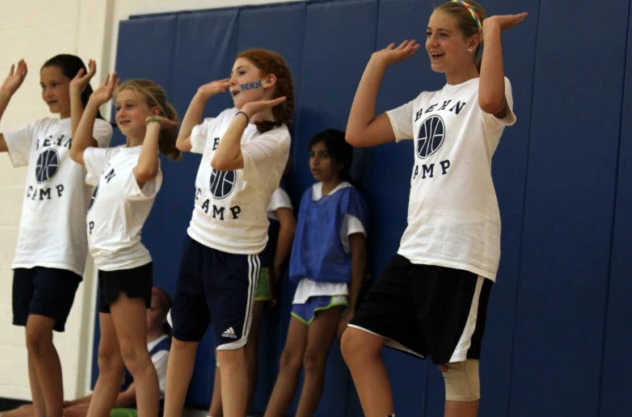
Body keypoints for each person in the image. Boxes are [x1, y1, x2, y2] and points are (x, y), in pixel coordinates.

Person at [339, 1, 524, 416]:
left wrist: (492, 30)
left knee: (454, 365)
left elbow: (492, 97)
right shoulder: (424, 102)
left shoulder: (489, 88)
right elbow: (357, 133)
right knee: (356, 341)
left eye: (443, 34)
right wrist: (376, 64)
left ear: (471, 41)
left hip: (461, 248)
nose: (431, 43)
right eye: (428, 33)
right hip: (416, 246)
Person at [0, 55, 113, 417]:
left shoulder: (98, 129)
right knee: (32, 341)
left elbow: (80, 150)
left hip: (62, 247)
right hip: (29, 247)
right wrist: (6, 92)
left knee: (38, 334)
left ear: (78, 82)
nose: (48, 93)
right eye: (43, 86)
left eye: (56, 84)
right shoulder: (39, 129)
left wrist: (82, 97)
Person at [165, 48, 294, 417]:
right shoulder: (225, 117)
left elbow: (223, 159)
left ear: (268, 81)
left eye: (242, 73)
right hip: (197, 244)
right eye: (232, 73)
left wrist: (243, 114)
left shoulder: (277, 139)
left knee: (230, 353)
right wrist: (202, 96)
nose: (233, 80)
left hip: (236, 257)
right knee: (182, 340)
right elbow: (183, 140)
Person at [68, 65, 181, 417]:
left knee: (136, 359)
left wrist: (153, 130)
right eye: (119, 107)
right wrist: (91, 103)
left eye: (130, 105)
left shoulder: (148, 161)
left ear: (153, 114)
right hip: (107, 266)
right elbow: (77, 150)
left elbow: (145, 171)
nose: (121, 113)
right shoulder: (115, 156)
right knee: (108, 359)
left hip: (127, 266)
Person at [0, 287, 173, 417]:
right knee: (36, 408)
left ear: (163, 318)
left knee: (61, 414)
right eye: (143, 306)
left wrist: (76, 406)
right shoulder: (127, 346)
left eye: (152, 308)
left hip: (133, 412)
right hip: (116, 405)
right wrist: (75, 401)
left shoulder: (162, 352)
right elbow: (109, 388)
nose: (144, 312)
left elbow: (127, 398)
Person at [264, 129, 367, 417]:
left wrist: (352, 307)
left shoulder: (348, 198)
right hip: (305, 287)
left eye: (323, 155)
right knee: (289, 359)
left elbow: (358, 254)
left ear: (341, 162)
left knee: (313, 359)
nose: (315, 161)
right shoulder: (309, 196)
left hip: (333, 289)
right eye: (312, 155)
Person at [207, 174, 296, 417]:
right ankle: (216, 411)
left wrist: (274, 267)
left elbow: (288, 225)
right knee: (225, 346)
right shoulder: (234, 180)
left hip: (256, 269)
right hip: (228, 270)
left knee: (244, 345)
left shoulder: (272, 181)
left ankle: (239, 411)